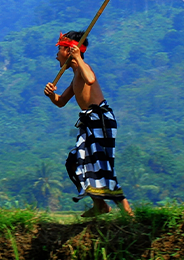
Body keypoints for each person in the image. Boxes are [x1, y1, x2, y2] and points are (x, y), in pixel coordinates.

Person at [42, 31, 134, 217]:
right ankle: (100, 205)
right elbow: (60, 102)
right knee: (75, 162)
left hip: (100, 121)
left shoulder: (85, 69)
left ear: (68, 51)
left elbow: (90, 79)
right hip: (90, 123)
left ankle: (128, 214)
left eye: (59, 50)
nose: (56, 55)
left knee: (101, 166)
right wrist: (51, 95)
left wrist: (78, 58)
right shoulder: (75, 75)